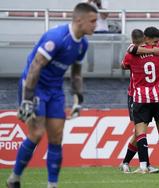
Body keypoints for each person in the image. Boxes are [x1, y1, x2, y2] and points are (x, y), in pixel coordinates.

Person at [6, 3, 97, 188]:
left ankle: (52, 185)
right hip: (35, 85)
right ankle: (14, 179)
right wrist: (26, 99)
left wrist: (79, 98)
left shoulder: (83, 45)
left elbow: (76, 73)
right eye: (93, 21)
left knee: (56, 137)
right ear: (79, 20)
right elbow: (35, 67)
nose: (96, 25)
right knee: (37, 134)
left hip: (55, 90)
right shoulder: (56, 37)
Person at [122, 26, 159, 173]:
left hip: (140, 97)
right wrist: (154, 50)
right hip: (158, 96)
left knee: (140, 132)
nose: (157, 44)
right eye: (154, 42)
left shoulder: (132, 52)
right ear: (146, 38)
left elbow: (124, 64)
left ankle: (141, 166)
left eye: (157, 42)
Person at [120, 29, 159, 174]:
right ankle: (141, 164)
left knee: (139, 132)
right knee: (139, 131)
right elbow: (125, 61)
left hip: (143, 96)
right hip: (135, 95)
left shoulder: (142, 51)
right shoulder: (132, 51)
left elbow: (123, 65)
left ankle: (129, 162)